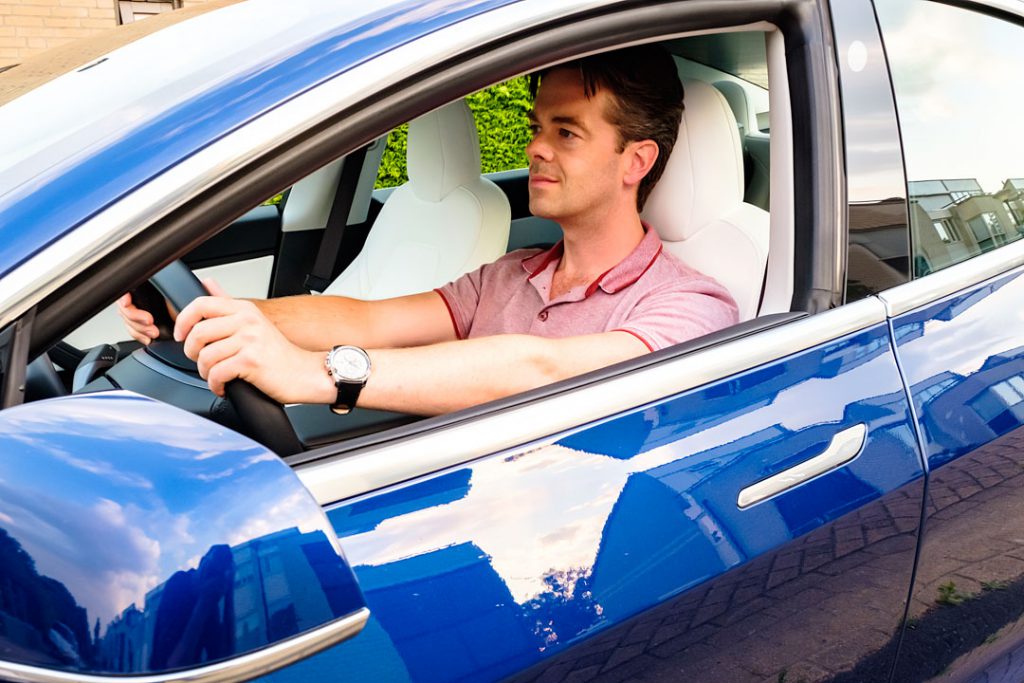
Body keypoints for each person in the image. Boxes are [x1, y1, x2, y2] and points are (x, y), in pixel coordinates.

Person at [119, 46, 738, 416]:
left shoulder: (691, 304)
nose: (536, 148)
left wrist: (320, 375)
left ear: (637, 161)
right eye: (538, 125)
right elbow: (368, 321)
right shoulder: (510, 273)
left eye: (566, 132)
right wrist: (216, 315)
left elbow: (543, 370)